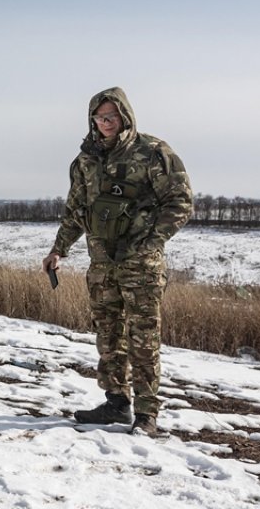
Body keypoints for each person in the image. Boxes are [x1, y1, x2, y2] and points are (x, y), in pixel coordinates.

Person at [42, 87, 192, 437]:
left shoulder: (153, 152)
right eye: (99, 117)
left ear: (125, 115)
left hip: (140, 265)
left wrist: (150, 242)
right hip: (102, 265)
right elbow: (75, 212)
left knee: (143, 337)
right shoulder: (85, 161)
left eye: (111, 116)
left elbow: (181, 202)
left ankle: (146, 413)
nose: (106, 123)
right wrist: (58, 250)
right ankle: (116, 403)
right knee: (108, 334)